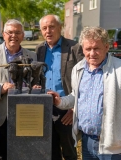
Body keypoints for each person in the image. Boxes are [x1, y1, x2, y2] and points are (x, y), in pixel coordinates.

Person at [48, 26, 121, 160]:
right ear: (82, 49)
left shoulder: (118, 69)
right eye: (88, 49)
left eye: (96, 48)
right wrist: (59, 101)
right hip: (87, 142)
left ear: (106, 47)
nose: (92, 53)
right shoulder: (79, 68)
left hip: (113, 146)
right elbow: (76, 96)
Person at [0, 19, 37, 160]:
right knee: (1, 154)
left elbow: (35, 80)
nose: (13, 36)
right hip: (0, 113)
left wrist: (34, 87)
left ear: (22, 35)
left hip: (24, 113)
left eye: (17, 32)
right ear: (3, 35)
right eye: (10, 32)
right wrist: (0, 88)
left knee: (22, 151)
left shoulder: (31, 56)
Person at [35, 14, 84, 160]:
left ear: (60, 27)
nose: (48, 31)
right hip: (45, 108)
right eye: (44, 28)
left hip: (66, 109)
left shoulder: (75, 48)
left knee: (69, 151)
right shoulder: (39, 49)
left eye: (51, 27)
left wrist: (74, 108)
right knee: (50, 150)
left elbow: (84, 80)